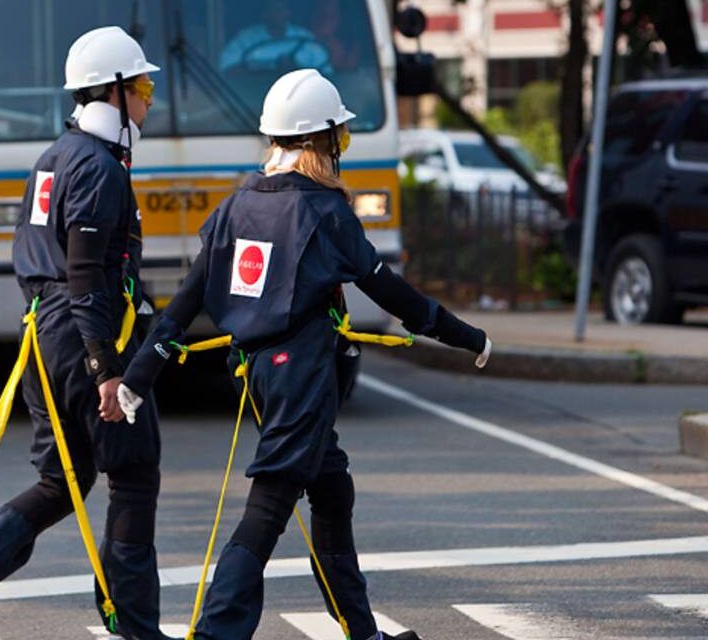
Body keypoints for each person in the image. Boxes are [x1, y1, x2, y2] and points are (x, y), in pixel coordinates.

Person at [115, 69, 493, 640]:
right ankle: (217, 633)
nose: (341, 149)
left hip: (261, 375)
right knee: (267, 508)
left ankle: (362, 632)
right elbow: (392, 293)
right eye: (338, 139)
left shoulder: (236, 205)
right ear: (319, 143)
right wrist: (468, 336)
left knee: (332, 488)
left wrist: (138, 376)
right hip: (304, 375)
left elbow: (182, 305)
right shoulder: (325, 212)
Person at [0, 26, 174, 640]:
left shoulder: (53, 158)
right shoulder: (100, 169)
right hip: (86, 332)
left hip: (43, 335)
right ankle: (136, 626)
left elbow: (48, 261)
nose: (146, 102)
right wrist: (106, 368)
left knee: (64, 480)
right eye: (140, 89)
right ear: (111, 93)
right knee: (133, 474)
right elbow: (85, 274)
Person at [219, 1, 332, 76]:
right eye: (274, 10)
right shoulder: (245, 39)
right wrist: (262, 71)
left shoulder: (306, 39)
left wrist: (296, 69)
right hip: (250, 100)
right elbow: (227, 69)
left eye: (282, 10)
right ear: (264, 14)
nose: (279, 14)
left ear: (288, 12)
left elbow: (326, 73)